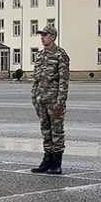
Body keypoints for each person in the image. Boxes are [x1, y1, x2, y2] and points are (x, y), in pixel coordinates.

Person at [30, 25, 70, 174]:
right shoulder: (40, 55)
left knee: (57, 131)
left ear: (52, 37)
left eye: (45, 35)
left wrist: (60, 101)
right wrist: (34, 99)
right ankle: (47, 160)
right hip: (41, 99)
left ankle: (56, 163)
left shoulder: (60, 55)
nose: (42, 37)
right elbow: (36, 80)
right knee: (46, 131)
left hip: (54, 100)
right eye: (41, 35)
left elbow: (63, 81)